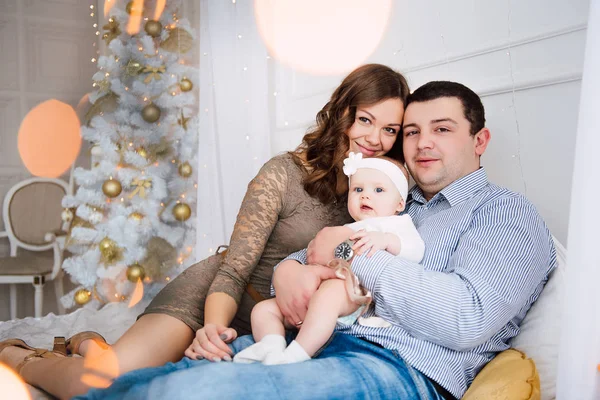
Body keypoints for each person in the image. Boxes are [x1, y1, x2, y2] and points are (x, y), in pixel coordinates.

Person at [72, 81, 557, 400]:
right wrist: (290, 269)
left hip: (399, 367)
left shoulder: (506, 213)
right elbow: (303, 258)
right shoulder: (394, 201)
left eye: (442, 129)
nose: (422, 143)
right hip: (307, 338)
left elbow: (466, 320)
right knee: (134, 387)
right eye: (411, 132)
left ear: (480, 140)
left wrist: (348, 255)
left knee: (191, 395)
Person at [0, 64, 410, 399]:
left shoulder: (387, 193)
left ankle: (90, 343)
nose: (375, 138)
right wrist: (212, 328)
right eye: (365, 120)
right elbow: (233, 270)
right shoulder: (283, 173)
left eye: (389, 129)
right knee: (102, 383)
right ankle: (22, 357)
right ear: (342, 113)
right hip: (216, 298)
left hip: (272, 325)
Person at [231, 153, 424, 365]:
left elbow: (416, 250)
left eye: (378, 190)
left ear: (399, 204)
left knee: (330, 293)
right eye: (358, 189)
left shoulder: (394, 225)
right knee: (264, 309)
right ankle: (271, 345)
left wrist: (387, 240)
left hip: (354, 297)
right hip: (315, 298)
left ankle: (297, 354)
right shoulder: (345, 227)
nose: (365, 196)